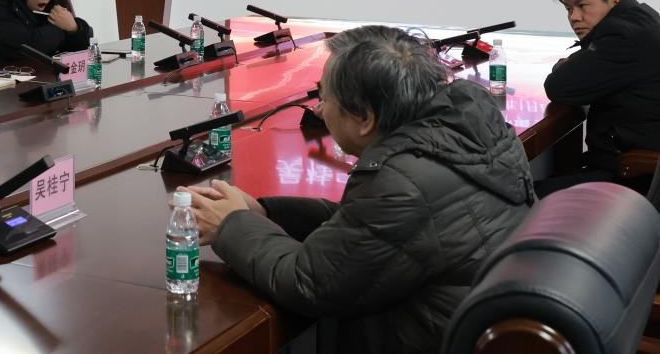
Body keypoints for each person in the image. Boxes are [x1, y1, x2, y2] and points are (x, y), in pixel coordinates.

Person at [183, 25, 533, 353]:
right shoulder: (464, 130)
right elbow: (368, 226)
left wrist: (229, 225)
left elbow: (309, 283)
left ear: (365, 118)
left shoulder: (404, 183)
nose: (319, 108)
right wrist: (266, 213)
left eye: (324, 96)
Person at [537, 0, 660, 196]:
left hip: (631, 174)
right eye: (568, 9)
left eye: (582, 5)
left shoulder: (623, 37)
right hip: (630, 165)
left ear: (615, 1)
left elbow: (558, 86)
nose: (574, 17)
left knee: (521, 198)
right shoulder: (642, 19)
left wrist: (567, 64)